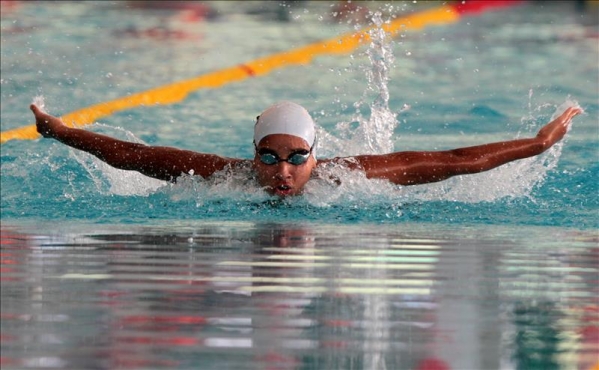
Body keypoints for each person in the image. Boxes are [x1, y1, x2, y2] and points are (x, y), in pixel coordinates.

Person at [30, 101, 582, 197]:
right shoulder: (225, 178)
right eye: (269, 158)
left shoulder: (351, 179)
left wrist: (536, 144)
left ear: (316, 154)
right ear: (253, 156)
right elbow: (135, 155)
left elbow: (452, 161)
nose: (284, 171)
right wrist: (60, 132)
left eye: (297, 157)